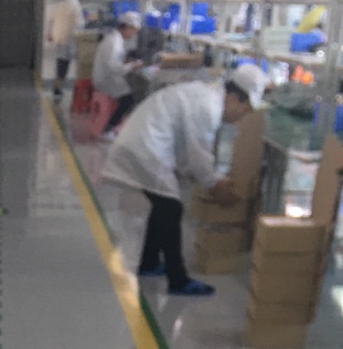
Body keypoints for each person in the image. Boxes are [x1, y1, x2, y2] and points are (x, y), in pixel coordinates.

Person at [103, 63, 268, 298]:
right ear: (233, 98)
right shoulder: (209, 107)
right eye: (245, 109)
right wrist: (215, 185)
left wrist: (195, 173)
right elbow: (199, 154)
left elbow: (187, 147)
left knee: (163, 205)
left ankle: (149, 262)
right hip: (146, 146)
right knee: (171, 207)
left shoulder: (206, 96)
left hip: (145, 142)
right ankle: (178, 279)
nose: (242, 116)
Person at [93, 13, 142, 133]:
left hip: (107, 76)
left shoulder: (115, 38)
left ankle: (116, 124)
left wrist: (127, 62)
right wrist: (132, 65)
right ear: (127, 28)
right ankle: (108, 129)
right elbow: (114, 68)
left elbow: (114, 62)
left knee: (129, 92)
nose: (134, 34)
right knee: (128, 100)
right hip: (106, 79)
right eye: (133, 31)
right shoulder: (114, 42)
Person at [46, 0, 84, 98]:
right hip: (69, 39)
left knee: (61, 63)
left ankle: (57, 86)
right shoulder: (76, 5)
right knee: (66, 64)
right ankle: (59, 87)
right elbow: (80, 24)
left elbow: (51, 20)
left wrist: (50, 34)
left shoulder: (61, 3)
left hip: (58, 38)